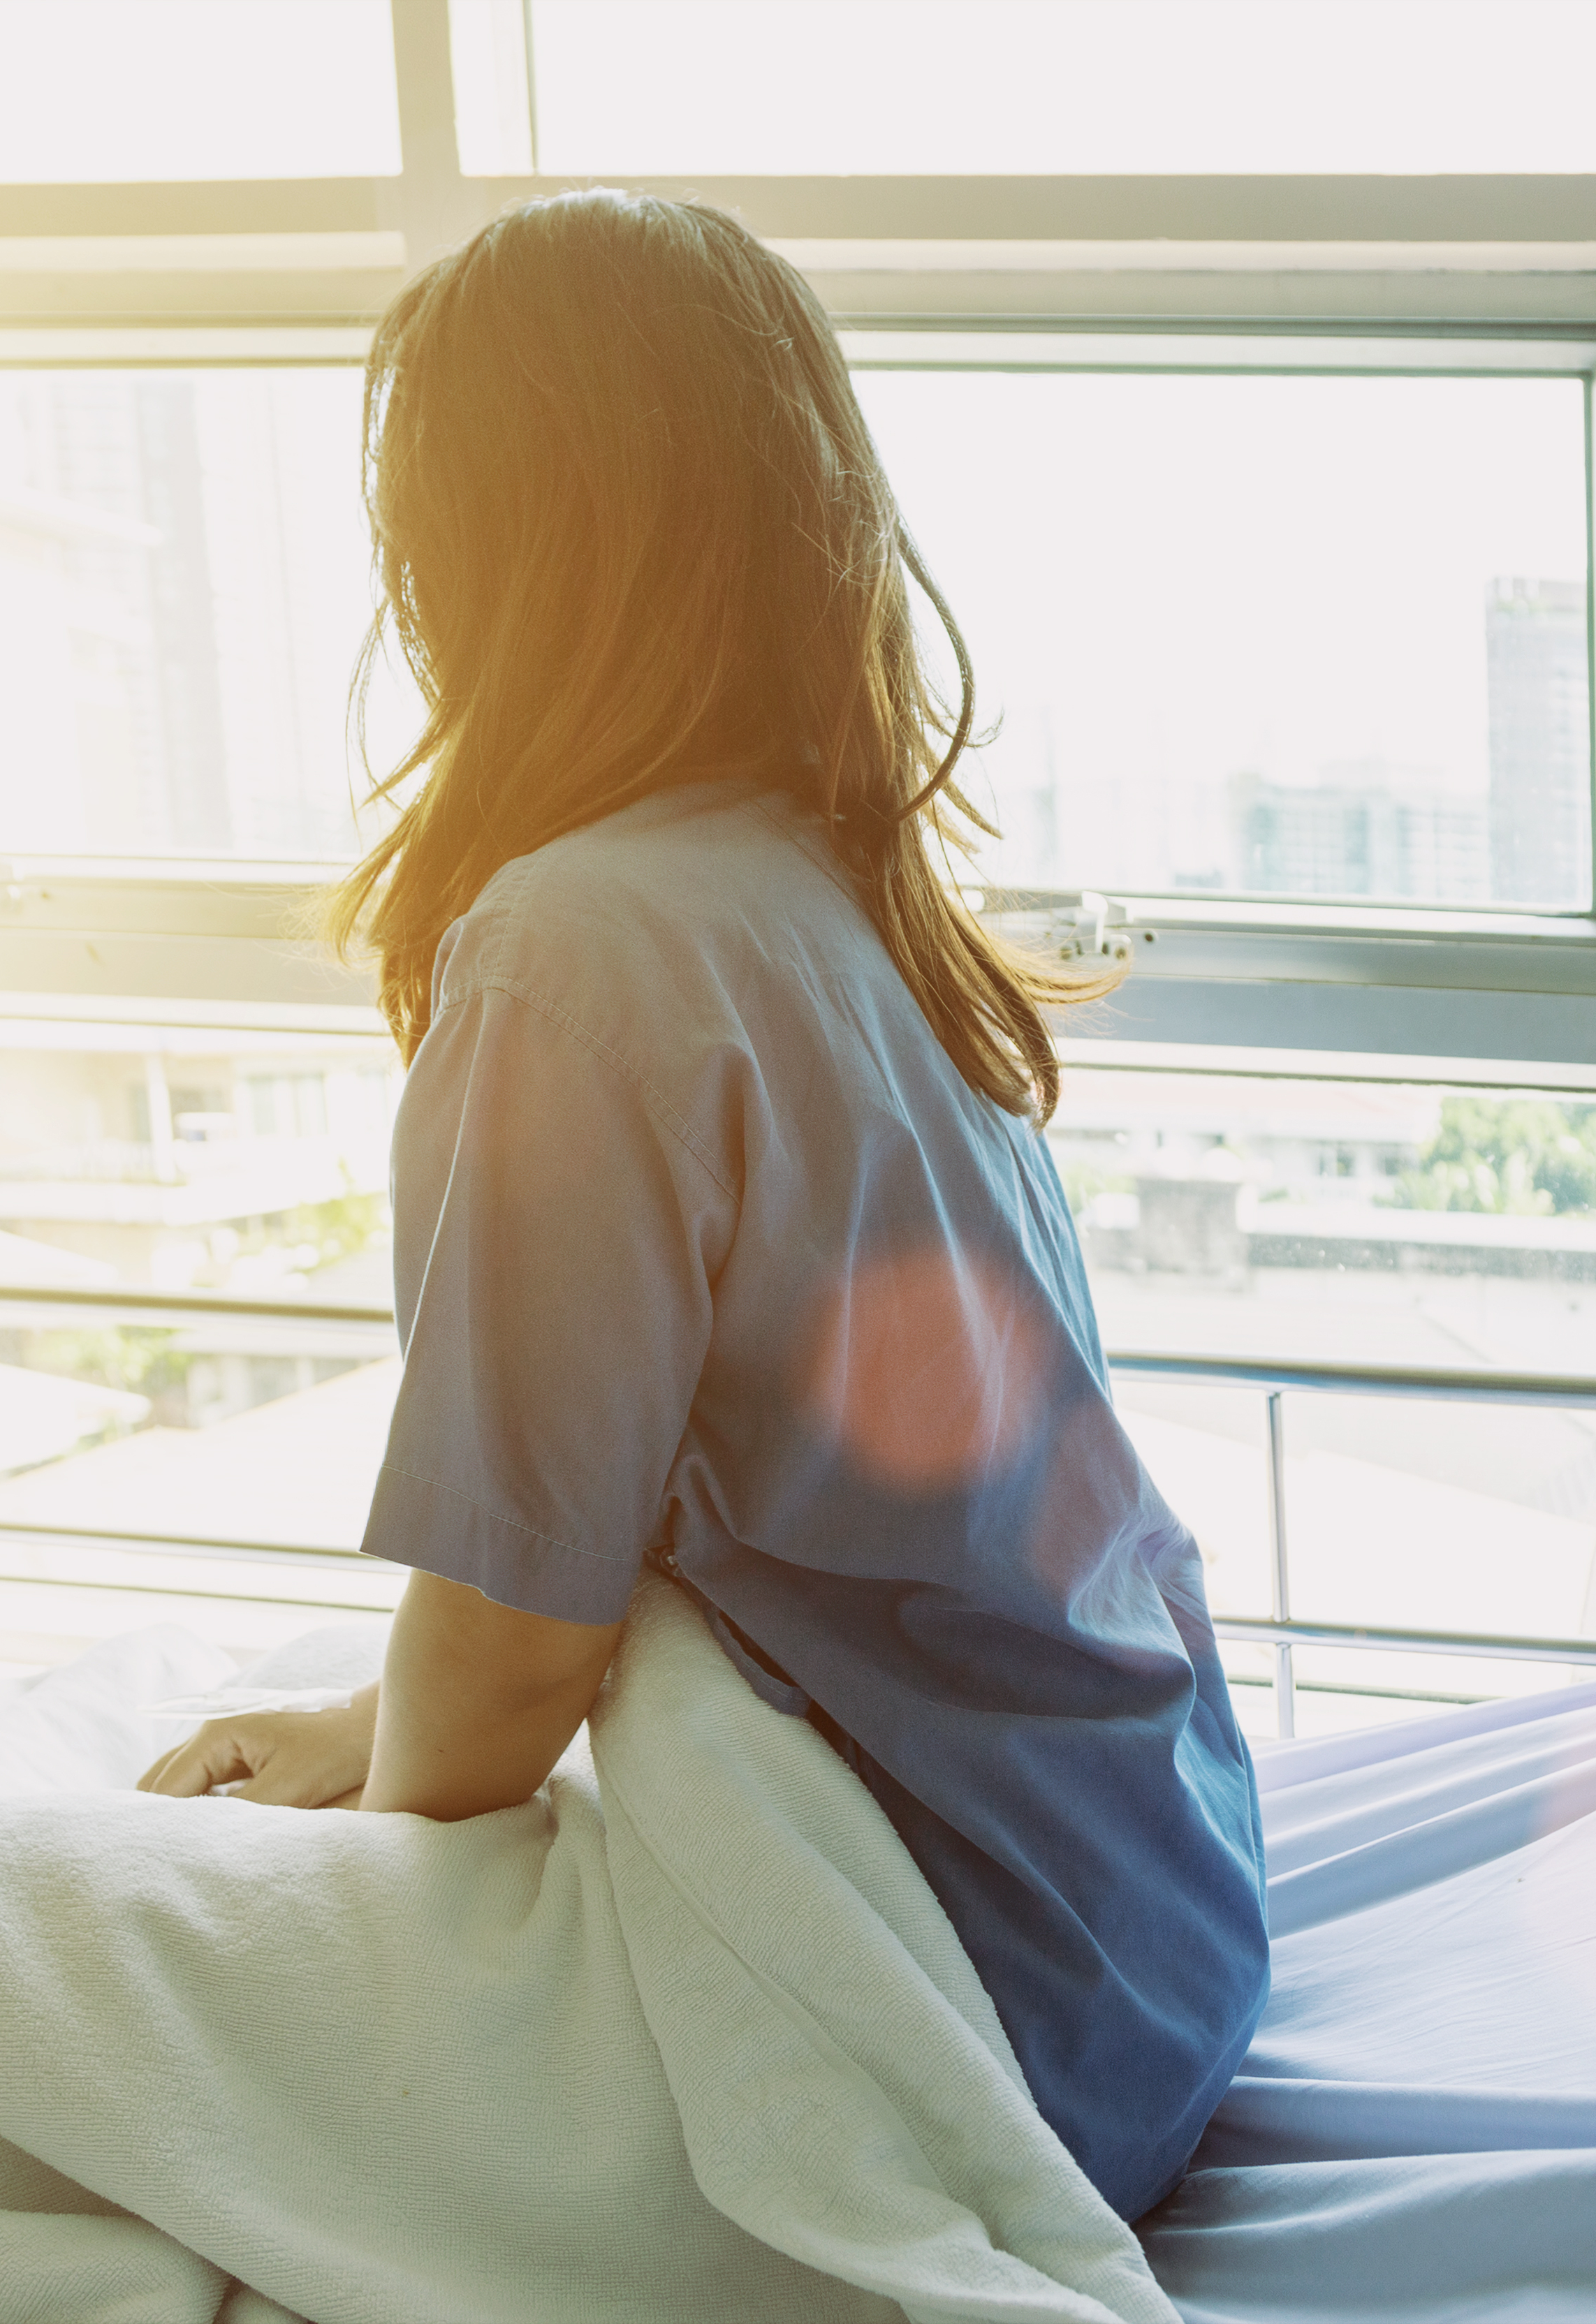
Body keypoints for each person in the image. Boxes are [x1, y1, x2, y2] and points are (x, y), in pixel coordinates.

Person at [138, 188, 1266, 2219]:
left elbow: (510, 1652)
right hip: (1143, 1937)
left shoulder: (577, 949)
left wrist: (380, 1905)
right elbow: (779, 1559)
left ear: (483, 551)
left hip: (951, 2017)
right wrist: (364, 1718)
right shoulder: (848, 902)